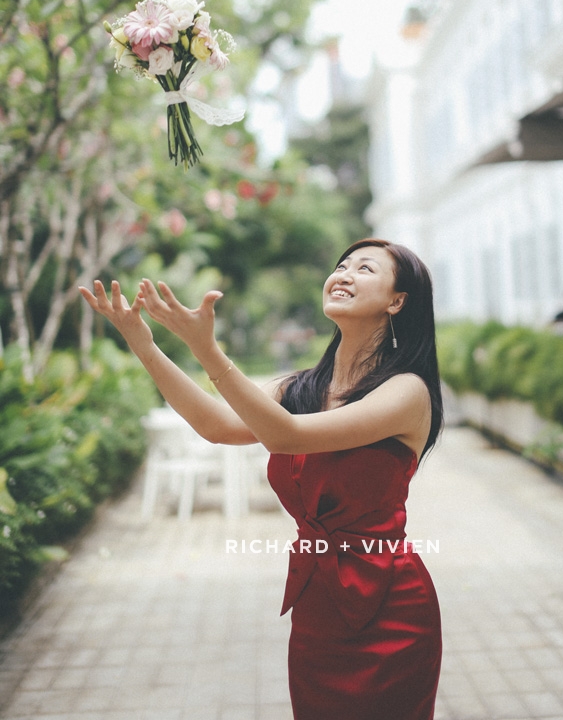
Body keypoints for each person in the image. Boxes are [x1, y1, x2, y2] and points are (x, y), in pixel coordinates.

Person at [79, 238, 444, 720]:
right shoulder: (300, 387)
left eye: (365, 268)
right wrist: (144, 345)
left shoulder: (407, 391)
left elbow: (285, 437)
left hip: (390, 606)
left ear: (398, 300)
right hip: (317, 601)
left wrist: (207, 350)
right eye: (341, 265)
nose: (344, 273)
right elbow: (215, 425)